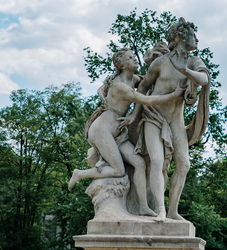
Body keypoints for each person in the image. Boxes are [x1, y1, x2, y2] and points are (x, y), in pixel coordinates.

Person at [68, 48, 183, 217]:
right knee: (118, 170)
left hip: (117, 131)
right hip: (102, 130)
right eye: (130, 58)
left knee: (139, 163)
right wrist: (174, 95)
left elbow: (146, 83)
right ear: (121, 65)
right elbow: (146, 99)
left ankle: (143, 206)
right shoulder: (120, 85)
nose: (135, 60)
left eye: (134, 56)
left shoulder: (133, 79)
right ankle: (79, 174)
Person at [129, 18, 210, 221]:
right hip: (153, 116)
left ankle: (173, 210)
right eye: (193, 34)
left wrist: (186, 71)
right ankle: (160, 209)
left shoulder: (193, 61)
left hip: (175, 121)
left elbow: (204, 79)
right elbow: (143, 86)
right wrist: (135, 112)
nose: (197, 38)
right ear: (179, 36)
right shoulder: (160, 63)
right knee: (156, 161)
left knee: (184, 164)